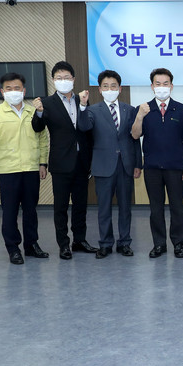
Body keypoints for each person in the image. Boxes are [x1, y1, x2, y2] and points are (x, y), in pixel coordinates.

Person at [32, 61, 97, 260]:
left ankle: (79, 240)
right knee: (60, 207)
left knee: (80, 205)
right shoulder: (46, 102)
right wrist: (39, 111)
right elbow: (37, 127)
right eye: (59, 78)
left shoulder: (81, 99)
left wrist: (90, 159)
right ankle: (63, 244)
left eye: (67, 77)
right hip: (60, 163)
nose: (63, 81)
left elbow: (87, 131)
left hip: (81, 162)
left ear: (73, 79)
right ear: (53, 80)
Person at [0, 73, 49, 264]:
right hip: (8, 171)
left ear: (24, 91)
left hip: (31, 169)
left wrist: (42, 163)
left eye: (17, 88)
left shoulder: (33, 112)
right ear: (2, 92)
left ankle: (31, 245)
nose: (13, 91)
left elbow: (43, 139)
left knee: (31, 211)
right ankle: (13, 248)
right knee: (10, 212)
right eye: (9, 89)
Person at [78, 70, 142, 259]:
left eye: (113, 86)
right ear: (99, 89)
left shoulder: (129, 110)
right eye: (105, 86)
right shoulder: (92, 110)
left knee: (125, 207)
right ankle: (105, 243)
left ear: (120, 89)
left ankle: (125, 243)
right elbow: (84, 127)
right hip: (103, 165)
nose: (110, 89)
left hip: (126, 165)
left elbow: (135, 139)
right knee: (104, 208)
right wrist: (82, 106)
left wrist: (138, 164)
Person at [131, 68, 183, 259]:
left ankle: (179, 243)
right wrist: (139, 116)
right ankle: (159, 244)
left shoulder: (182, 110)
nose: (162, 87)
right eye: (158, 84)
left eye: (165, 83)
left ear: (171, 86)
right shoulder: (143, 109)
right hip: (152, 168)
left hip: (175, 168)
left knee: (177, 207)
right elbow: (135, 135)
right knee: (155, 208)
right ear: (152, 86)